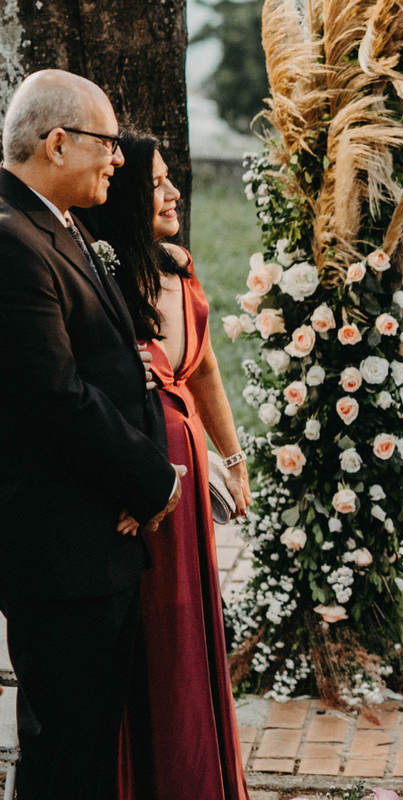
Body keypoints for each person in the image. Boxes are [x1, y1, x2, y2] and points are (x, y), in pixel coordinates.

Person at [0, 70, 184, 799]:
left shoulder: (63, 225)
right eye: (107, 143)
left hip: (100, 532)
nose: (119, 159)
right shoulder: (12, 241)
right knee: (66, 746)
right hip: (60, 539)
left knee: (92, 733)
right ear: (57, 143)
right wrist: (152, 479)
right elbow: (52, 395)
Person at [79, 131, 251, 799]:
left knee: (187, 626)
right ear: (123, 196)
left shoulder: (177, 269)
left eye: (172, 179)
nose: (174, 192)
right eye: (155, 184)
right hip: (139, 475)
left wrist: (232, 457)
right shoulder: (97, 279)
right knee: (150, 628)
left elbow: (204, 366)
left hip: (187, 462)